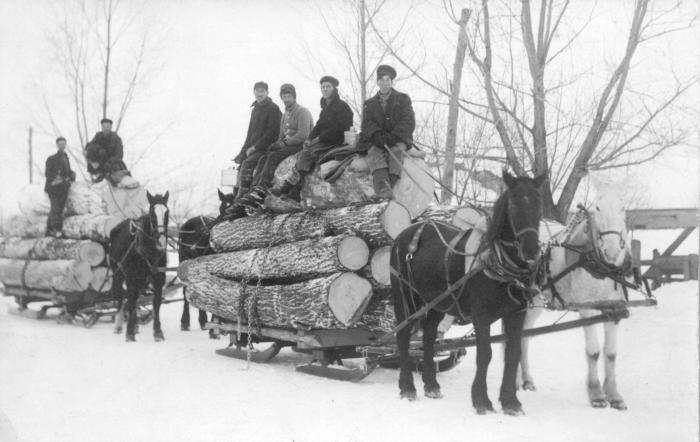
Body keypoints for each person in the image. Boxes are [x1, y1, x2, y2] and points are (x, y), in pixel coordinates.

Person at [271, 75, 353, 202]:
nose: (325, 89)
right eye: (323, 87)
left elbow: (340, 128)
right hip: (325, 140)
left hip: (336, 141)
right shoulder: (325, 108)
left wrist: (320, 138)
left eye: (328, 87)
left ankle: (294, 188)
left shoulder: (342, 107)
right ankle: (290, 186)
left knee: (309, 153)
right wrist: (309, 138)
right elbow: (319, 125)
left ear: (334, 89)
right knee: (304, 151)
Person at [236, 83, 313, 210]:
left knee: (274, 156)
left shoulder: (302, 112)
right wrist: (276, 144)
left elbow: (303, 135)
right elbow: (281, 135)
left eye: (289, 96)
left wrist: (284, 143)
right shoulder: (285, 115)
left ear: (294, 97)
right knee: (264, 158)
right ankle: (254, 189)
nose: (286, 99)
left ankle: (263, 187)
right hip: (287, 145)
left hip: (299, 145)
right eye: (284, 97)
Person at [357, 64, 415, 199]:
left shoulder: (403, 99)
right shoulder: (369, 103)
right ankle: (382, 186)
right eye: (381, 80)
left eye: (387, 80)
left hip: (398, 138)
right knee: (374, 152)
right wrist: (377, 134)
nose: (385, 83)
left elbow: (408, 120)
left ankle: (392, 185)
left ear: (391, 81)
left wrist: (394, 135)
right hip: (378, 139)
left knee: (396, 151)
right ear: (377, 82)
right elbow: (366, 123)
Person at [232, 81, 282, 201]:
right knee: (239, 166)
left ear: (267, 92)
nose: (259, 94)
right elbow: (250, 134)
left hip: (266, 147)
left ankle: (243, 196)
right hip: (254, 148)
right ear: (254, 92)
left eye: (262, 91)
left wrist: (255, 147)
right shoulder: (255, 110)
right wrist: (242, 152)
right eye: (257, 91)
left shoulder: (273, 108)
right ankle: (235, 197)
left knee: (248, 163)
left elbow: (272, 133)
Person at [85, 118, 131, 186]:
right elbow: (88, 146)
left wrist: (109, 162)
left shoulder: (116, 138)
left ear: (111, 127)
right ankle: (99, 176)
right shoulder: (98, 136)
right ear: (102, 127)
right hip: (100, 164)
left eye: (108, 126)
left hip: (113, 164)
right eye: (104, 126)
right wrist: (98, 150)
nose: (106, 128)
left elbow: (119, 155)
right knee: (91, 151)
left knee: (117, 178)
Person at [45, 137, 76, 237]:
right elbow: (48, 173)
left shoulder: (65, 158)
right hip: (53, 188)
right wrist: (57, 177)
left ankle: (49, 230)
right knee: (56, 208)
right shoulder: (52, 159)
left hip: (63, 188)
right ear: (57, 145)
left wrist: (72, 175)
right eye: (60, 144)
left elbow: (68, 172)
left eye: (63, 144)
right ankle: (57, 229)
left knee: (60, 208)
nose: (62, 146)